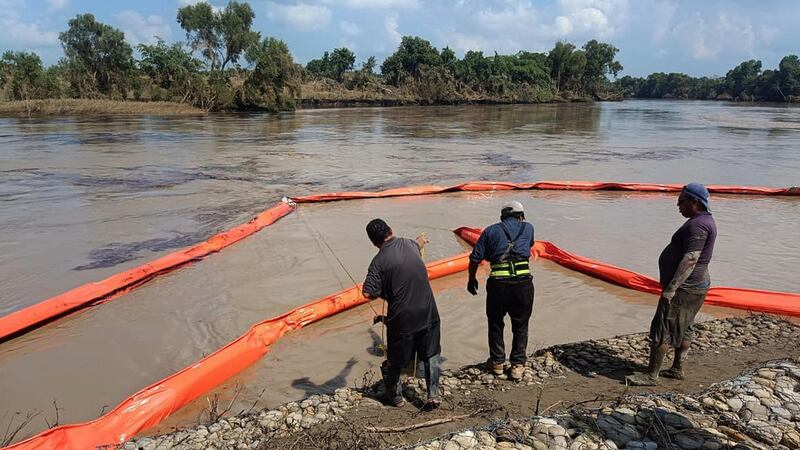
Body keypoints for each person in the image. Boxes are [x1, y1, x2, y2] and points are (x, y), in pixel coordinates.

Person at [627, 183, 717, 386]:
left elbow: (691, 258)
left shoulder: (698, 225)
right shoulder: (704, 221)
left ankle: (651, 375)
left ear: (695, 202)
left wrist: (671, 288)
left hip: (685, 288)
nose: (678, 206)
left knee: (663, 327)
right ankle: (677, 368)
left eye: (681, 202)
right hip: (698, 284)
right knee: (685, 326)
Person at [362, 218, 442, 409]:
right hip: (428, 311)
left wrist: (383, 290)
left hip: (402, 318)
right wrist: (422, 239)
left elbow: (367, 292)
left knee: (395, 360)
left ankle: (396, 399)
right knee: (431, 354)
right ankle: (433, 395)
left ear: (373, 242)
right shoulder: (409, 244)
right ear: (391, 229)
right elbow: (418, 243)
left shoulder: (378, 261)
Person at [467, 201, 535, 381]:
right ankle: (517, 366)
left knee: (496, 323)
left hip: (498, 285)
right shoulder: (528, 228)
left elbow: (475, 258)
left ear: (502, 217)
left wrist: (471, 279)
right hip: (523, 284)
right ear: (521, 216)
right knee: (521, 324)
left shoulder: (490, 231)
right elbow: (527, 246)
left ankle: (497, 363)